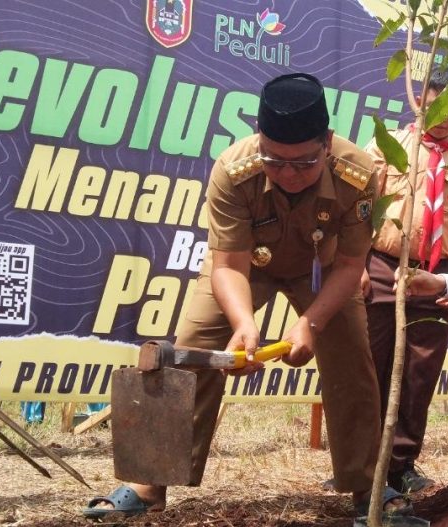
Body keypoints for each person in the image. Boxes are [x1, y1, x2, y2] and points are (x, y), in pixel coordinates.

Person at [83, 73, 410, 519]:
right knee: (190, 349)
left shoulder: (358, 174)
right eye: (275, 161)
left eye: (304, 163)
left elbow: (352, 267)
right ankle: (148, 483)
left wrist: (309, 324)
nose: (289, 174)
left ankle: (367, 486)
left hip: (324, 271)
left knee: (352, 359)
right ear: (259, 140)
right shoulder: (233, 170)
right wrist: (244, 325)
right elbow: (228, 266)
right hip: (245, 269)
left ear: (328, 144)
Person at [363, 66, 448, 494]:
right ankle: (364, 467)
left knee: (419, 375)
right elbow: (362, 210)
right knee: (371, 369)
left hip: (435, 279)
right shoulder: (387, 147)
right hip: (382, 268)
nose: (445, 116)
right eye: (438, 104)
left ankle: (401, 465)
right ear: (420, 100)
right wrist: (360, 266)